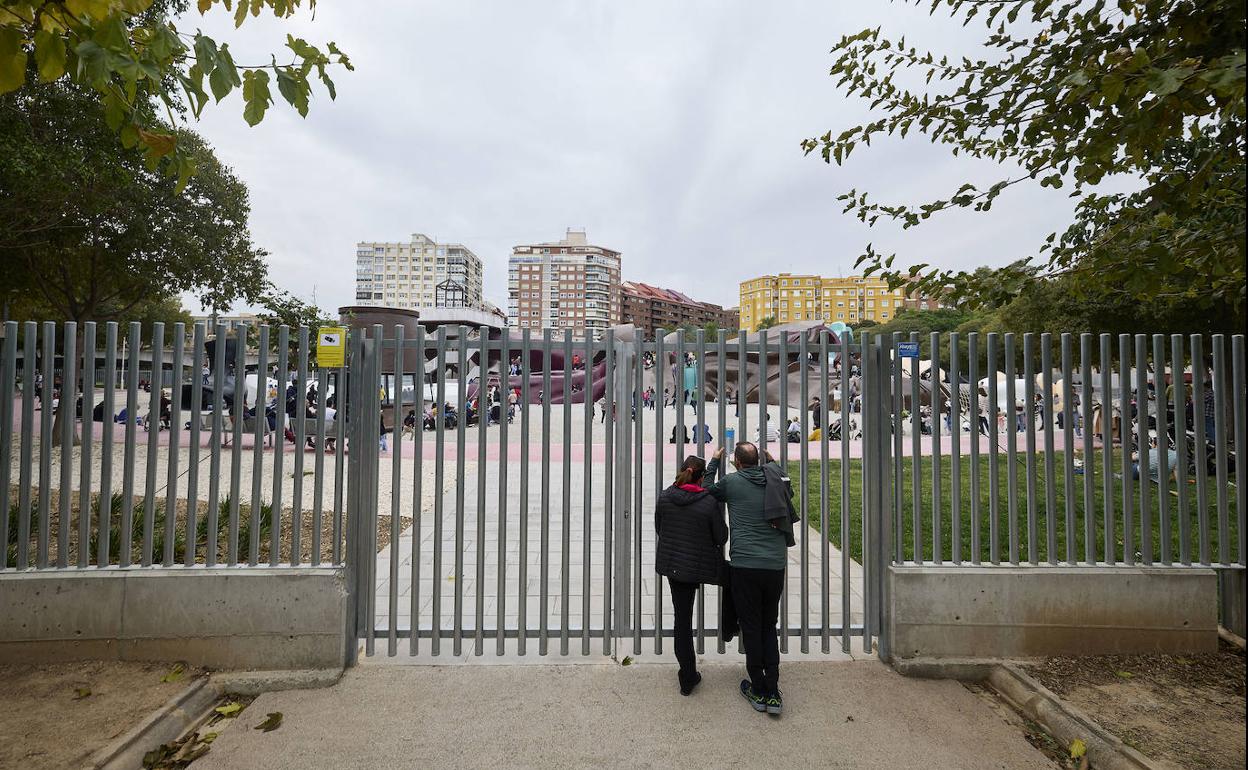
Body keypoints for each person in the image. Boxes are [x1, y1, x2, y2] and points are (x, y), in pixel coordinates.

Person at [702, 442, 794, 716]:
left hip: (744, 565)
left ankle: (758, 687)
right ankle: (773, 691)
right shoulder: (776, 479)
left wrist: (714, 462)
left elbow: (707, 490)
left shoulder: (731, 482)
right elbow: (788, 489)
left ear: (737, 463)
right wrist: (773, 461)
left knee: (751, 626)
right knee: (769, 624)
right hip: (775, 565)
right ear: (760, 460)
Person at [654, 455, 728, 696]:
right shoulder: (708, 503)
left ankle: (687, 675)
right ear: (700, 476)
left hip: (674, 564)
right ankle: (689, 674)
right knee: (685, 620)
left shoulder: (665, 496)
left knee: (681, 621)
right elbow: (721, 537)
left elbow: (659, 527)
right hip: (697, 564)